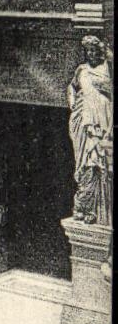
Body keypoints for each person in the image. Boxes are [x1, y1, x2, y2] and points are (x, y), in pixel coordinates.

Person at [67, 35, 113, 226]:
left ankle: (92, 210)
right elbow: (72, 86)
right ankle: (82, 206)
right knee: (83, 163)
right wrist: (72, 100)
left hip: (101, 124)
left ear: (100, 52)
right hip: (83, 122)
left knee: (96, 163)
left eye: (94, 50)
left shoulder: (107, 68)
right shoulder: (82, 70)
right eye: (88, 51)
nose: (91, 54)